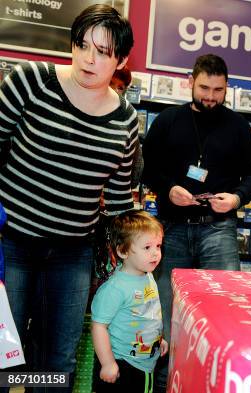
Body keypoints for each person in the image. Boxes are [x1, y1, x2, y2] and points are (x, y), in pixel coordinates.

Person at [0, 5, 135, 392]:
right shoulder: (31, 81)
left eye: (103, 52)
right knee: (6, 354)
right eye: (82, 45)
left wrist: (134, 250)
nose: (88, 59)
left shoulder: (125, 119)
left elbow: (119, 196)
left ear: (121, 60)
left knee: (58, 359)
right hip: (12, 243)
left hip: (72, 254)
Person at [142, 53, 251, 391]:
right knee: (165, 318)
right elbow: (147, 166)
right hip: (173, 228)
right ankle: (165, 384)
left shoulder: (238, 126)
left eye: (219, 90)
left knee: (224, 313)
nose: (211, 96)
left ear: (228, 88)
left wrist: (237, 198)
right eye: (205, 87)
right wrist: (168, 188)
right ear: (190, 82)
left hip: (218, 229)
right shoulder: (168, 120)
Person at [91, 210, 167, 393]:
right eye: (147, 247)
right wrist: (108, 363)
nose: (156, 253)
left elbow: (148, 313)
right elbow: (98, 326)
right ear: (123, 251)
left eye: (158, 246)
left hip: (144, 362)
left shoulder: (148, 276)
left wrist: (158, 339)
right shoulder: (115, 288)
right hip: (122, 365)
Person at [109, 66, 144, 189]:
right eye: (110, 83)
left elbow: (135, 175)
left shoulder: (127, 121)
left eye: (120, 88)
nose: (114, 91)